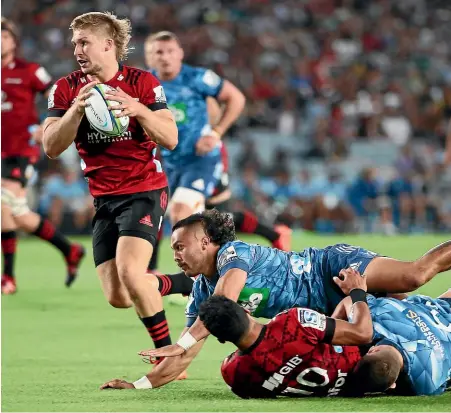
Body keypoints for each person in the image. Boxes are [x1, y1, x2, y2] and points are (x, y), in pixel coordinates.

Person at [101, 208, 451, 390]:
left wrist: (183, 342)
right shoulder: (201, 295)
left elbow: (228, 296)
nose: (175, 255)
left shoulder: (233, 253)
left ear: (206, 242)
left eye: (180, 246)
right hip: (328, 309)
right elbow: (184, 358)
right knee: (408, 310)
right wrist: (139, 385)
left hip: (330, 269)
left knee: (413, 277)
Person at [42, 12, 179, 357]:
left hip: (144, 190)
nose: (77, 49)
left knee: (133, 274)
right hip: (104, 199)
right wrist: (76, 111)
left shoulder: (142, 82)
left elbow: (171, 137)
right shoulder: (66, 87)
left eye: (84, 42)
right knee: (118, 297)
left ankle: (169, 356)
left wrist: (137, 109)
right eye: (75, 43)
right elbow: (51, 147)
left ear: (108, 45)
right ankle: (190, 283)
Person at [100, 267, 370, 392]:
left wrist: (136, 386)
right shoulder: (293, 321)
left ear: (219, 338)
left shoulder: (234, 372)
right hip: (364, 365)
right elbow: (362, 333)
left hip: (352, 386)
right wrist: (357, 292)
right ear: (247, 309)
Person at [144, 31, 245, 274]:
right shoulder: (145, 83)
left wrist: (216, 132)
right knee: (156, 212)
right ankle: (156, 272)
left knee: (180, 211)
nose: (166, 57)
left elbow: (235, 98)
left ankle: (189, 278)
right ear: (150, 58)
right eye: (159, 52)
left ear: (180, 54)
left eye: (170, 51)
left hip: (200, 160)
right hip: (166, 161)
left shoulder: (198, 78)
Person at [1, 17, 85, 294]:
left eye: (4, 36)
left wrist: (46, 125)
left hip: (19, 150)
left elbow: (55, 95)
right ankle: (69, 249)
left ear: (14, 41)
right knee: (18, 213)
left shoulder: (31, 71)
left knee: (2, 202)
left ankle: (8, 277)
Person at [335, 288, 451, 396]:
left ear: (392, 385)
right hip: (438, 309)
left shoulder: (427, 385)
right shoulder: (374, 322)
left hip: (440, 320)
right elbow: (352, 300)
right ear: (372, 350)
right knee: (384, 287)